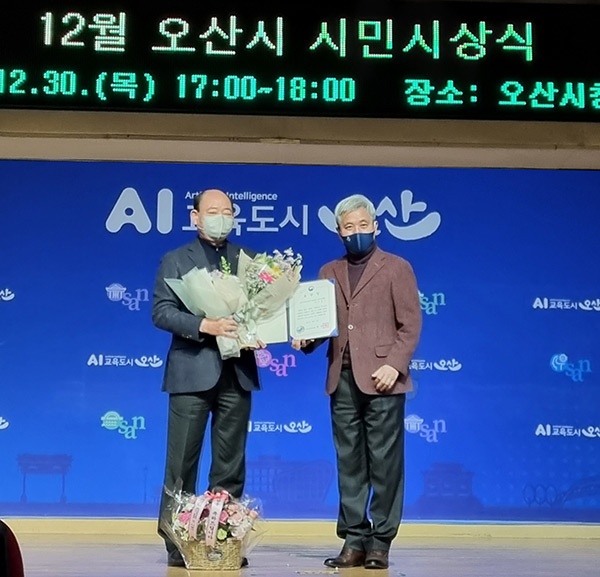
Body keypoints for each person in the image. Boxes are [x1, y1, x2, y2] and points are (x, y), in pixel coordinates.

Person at [292, 194, 422, 570]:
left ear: (376, 227)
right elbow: (321, 326)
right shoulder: (328, 272)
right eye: (349, 227)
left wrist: (394, 365)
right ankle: (354, 539)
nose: (357, 232)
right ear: (338, 232)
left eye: (363, 225)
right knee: (349, 463)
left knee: (385, 464)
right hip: (342, 379)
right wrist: (305, 338)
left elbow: (410, 324)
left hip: (383, 380)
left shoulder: (397, 267)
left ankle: (380, 542)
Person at [152, 188, 261, 568]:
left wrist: (261, 329)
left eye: (227, 211)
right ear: (195, 216)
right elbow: (161, 312)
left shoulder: (248, 262)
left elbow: (264, 310)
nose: (221, 217)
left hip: (237, 371)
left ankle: (223, 538)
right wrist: (205, 324)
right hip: (191, 371)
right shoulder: (175, 260)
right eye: (212, 211)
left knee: (230, 464)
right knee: (182, 463)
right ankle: (176, 539)